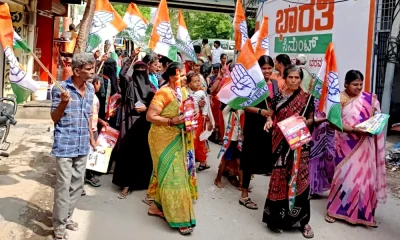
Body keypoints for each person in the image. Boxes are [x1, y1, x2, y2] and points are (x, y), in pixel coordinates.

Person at [325, 70, 387, 227]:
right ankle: (335, 210)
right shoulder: (339, 99)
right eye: (355, 84)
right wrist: (353, 130)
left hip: (364, 144)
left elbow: (376, 118)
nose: (359, 88)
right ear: (346, 83)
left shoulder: (370, 99)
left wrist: (375, 122)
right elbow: (333, 123)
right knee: (344, 176)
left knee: (363, 179)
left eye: (360, 84)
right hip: (345, 144)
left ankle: (363, 213)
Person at [263, 65, 315, 238]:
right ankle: (275, 219)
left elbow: (311, 119)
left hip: (299, 145)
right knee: (279, 179)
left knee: (300, 180)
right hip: (280, 144)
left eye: (297, 78)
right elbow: (271, 114)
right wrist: (269, 120)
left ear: (301, 79)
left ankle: (303, 221)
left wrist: (305, 122)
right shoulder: (277, 96)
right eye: (290, 77)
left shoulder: (307, 98)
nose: (294, 80)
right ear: (284, 78)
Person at [146, 62, 197, 235]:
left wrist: (192, 115)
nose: (184, 77)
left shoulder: (182, 92)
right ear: (171, 76)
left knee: (171, 174)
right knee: (174, 176)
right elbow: (150, 116)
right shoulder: (164, 93)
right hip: (161, 138)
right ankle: (179, 218)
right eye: (181, 75)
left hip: (178, 137)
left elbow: (185, 112)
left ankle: (155, 207)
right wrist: (171, 121)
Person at [50, 53, 96, 240]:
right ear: (77, 71)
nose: (92, 72)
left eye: (92, 68)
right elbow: (54, 118)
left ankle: (66, 216)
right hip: (65, 144)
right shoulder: (60, 89)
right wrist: (63, 102)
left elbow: (88, 116)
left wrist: (92, 138)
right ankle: (59, 226)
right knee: (63, 186)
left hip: (82, 143)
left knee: (77, 185)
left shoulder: (91, 89)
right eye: (88, 69)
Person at [238, 56, 279, 210]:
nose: (267, 71)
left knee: (269, 159)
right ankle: (244, 195)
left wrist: (270, 117)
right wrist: (262, 112)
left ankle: (274, 194)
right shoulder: (252, 84)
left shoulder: (274, 84)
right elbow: (244, 105)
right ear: (258, 69)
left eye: (270, 68)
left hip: (269, 126)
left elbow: (275, 104)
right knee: (249, 159)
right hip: (253, 126)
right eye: (264, 68)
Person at [112, 61, 155, 199]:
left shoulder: (151, 87)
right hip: (129, 122)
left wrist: (146, 109)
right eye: (138, 68)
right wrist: (132, 57)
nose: (141, 70)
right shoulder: (129, 83)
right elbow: (122, 74)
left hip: (144, 124)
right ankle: (126, 184)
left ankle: (141, 182)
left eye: (144, 68)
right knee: (128, 153)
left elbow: (157, 107)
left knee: (142, 153)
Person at [84, 74, 109, 190]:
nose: (100, 86)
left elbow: (93, 115)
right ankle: (84, 178)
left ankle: (88, 175)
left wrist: (101, 121)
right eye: (99, 83)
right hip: (90, 129)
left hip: (93, 128)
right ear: (95, 83)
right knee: (87, 154)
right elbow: (88, 116)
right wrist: (92, 137)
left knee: (90, 154)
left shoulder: (93, 97)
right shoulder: (90, 98)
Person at [186, 72, 213, 171]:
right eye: (195, 82)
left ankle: (200, 161)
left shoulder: (201, 93)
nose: (198, 83)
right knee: (194, 140)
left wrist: (205, 115)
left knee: (197, 139)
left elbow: (205, 105)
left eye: (198, 81)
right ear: (189, 84)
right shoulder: (186, 92)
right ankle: (200, 161)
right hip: (189, 118)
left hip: (199, 119)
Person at [214, 104, 244, 188]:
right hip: (229, 141)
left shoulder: (237, 113)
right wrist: (235, 98)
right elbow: (230, 105)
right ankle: (218, 179)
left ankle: (241, 184)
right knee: (225, 161)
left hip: (237, 142)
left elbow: (245, 108)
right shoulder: (226, 113)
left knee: (239, 162)